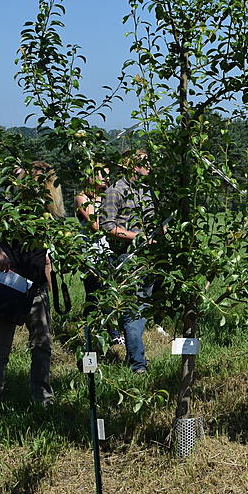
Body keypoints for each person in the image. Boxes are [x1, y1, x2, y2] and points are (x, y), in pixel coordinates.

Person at [0, 162, 65, 418]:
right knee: (1, 348)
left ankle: (43, 398)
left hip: (37, 287)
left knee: (42, 344)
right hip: (9, 285)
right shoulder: (7, 202)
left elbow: (51, 245)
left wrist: (50, 268)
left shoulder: (48, 209)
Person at [99, 149, 153, 374]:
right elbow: (108, 226)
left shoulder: (146, 191)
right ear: (133, 166)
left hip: (148, 256)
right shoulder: (115, 191)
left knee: (143, 305)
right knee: (133, 309)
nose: (150, 166)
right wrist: (138, 237)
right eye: (145, 163)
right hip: (127, 257)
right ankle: (138, 364)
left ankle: (134, 357)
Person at [74, 165, 122, 346]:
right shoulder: (82, 198)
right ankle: (89, 333)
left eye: (107, 176)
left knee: (110, 291)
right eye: (101, 175)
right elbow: (95, 225)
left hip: (107, 250)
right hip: (91, 252)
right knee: (93, 293)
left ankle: (113, 333)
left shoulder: (106, 197)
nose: (105, 179)